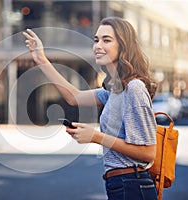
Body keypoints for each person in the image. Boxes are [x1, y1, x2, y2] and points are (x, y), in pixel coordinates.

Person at [23, 16, 158, 200]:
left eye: (107, 40)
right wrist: (41, 59)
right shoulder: (115, 90)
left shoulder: (134, 88)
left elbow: (148, 152)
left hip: (132, 185)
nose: (98, 46)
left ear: (124, 46)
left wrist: (95, 137)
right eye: (96, 40)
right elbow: (74, 96)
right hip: (120, 184)